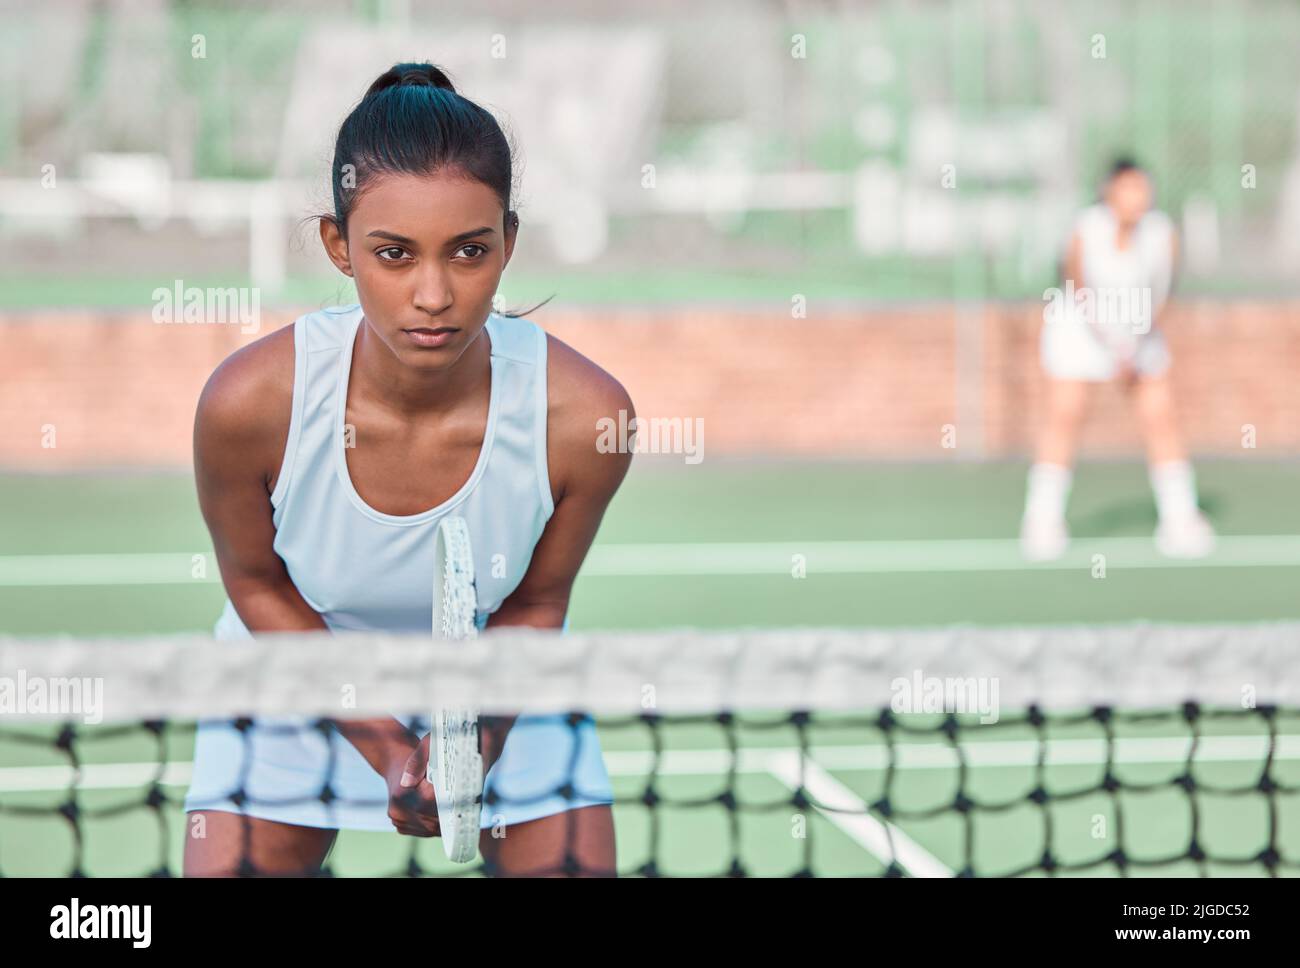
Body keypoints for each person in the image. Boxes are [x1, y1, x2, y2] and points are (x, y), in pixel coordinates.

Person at [183, 63, 633, 876]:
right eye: (394, 254)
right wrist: (389, 742)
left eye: (469, 251)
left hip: (498, 681)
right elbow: (256, 588)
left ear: (509, 243)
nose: (434, 294)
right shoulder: (247, 404)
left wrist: (472, 745)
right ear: (338, 247)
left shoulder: (585, 416)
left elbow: (536, 603)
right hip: (297, 672)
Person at [1021, 157, 1214, 561]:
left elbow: (1163, 292)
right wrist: (1111, 345)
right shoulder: (1086, 229)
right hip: (1081, 334)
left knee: (1160, 417)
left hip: (1139, 337)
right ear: (1109, 192)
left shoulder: (1162, 234)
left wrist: (1135, 345)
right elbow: (1077, 287)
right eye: (1128, 188)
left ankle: (1180, 519)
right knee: (1066, 416)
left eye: (1143, 188)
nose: (1138, 197)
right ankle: (1042, 521)